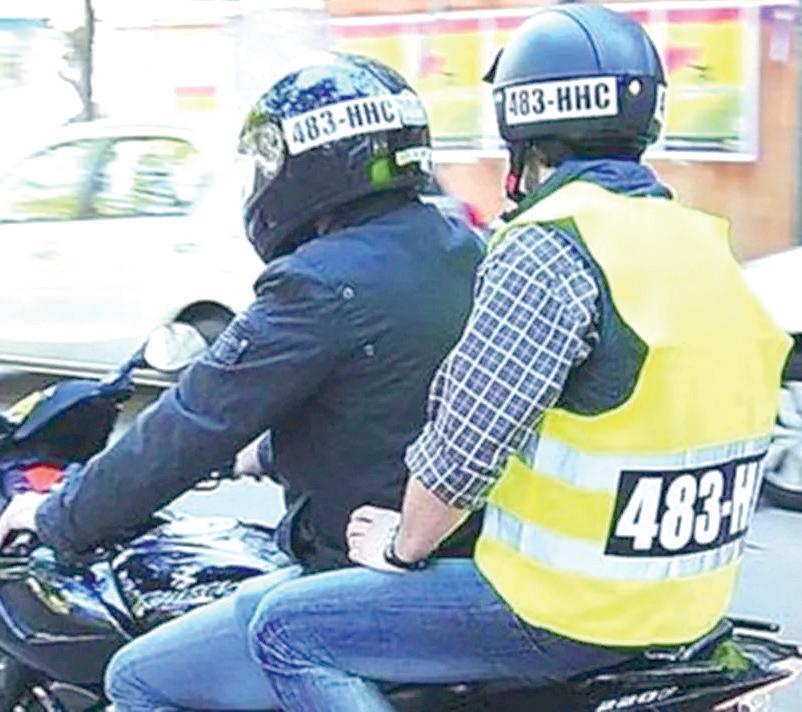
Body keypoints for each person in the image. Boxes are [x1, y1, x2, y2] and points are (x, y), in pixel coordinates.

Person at [223, 6, 791, 711]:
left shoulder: (550, 246)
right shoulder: (702, 243)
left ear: (521, 123)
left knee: (286, 629)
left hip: (566, 613)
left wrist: (401, 545)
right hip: (688, 606)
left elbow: (466, 445)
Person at [0, 53, 483, 710]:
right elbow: (398, 401)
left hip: (370, 578)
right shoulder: (460, 246)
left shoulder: (318, 282)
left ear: (307, 163)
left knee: (137, 677)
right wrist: (264, 453)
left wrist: (56, 516)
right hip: (467, 561)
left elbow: (190, 423)